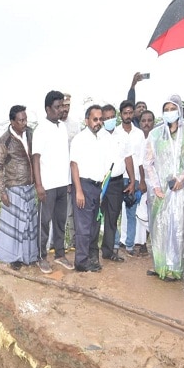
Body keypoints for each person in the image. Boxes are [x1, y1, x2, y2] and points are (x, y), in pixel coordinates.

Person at [143, 95, 184, 281]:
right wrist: (156, 187)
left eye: (172, 108)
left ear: (180, 110)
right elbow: (148, 162)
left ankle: (175, 269)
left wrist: (182, 178)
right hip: (160, 191)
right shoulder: (155, 134)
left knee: (178, 227)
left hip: (181, 190)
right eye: (165, 109)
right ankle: (159, 266)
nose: (169, 113)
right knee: (159, 227)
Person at [70, 105, 117, 272]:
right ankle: (81, 263)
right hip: (84, 186)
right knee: (83, 227)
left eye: (101, 119)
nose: (98, 122)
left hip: (98, 188)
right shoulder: (80, 139)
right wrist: (79, 191)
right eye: (95, 119)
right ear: (87, 120)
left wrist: (102, 190)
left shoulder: (101, 139)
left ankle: (92, 259)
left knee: (95, 226)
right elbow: (74, 165)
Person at [32, 90, 75, 274]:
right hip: (47, 185)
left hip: (61, 184)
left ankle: (59, 254)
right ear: (48, 108)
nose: (60, 111)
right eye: (57, 107)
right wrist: (39, 185)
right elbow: (35, 158)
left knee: (60, 221)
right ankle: (41, 257)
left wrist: (67, 182)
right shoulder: (41, 129)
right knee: (44, 222)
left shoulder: (62, 127)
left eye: (62, 107)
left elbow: (64, 155)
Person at [0, 105, 39, 270]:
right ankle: (14, 258)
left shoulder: (30, 134)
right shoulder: (4, 141)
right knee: (14, 227)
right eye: (21, 120)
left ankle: (30, 256)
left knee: (29, 224)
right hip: (14, 187)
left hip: (30, 187)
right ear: (12, 121)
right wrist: (2, 192)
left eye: (25, 119)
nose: (24, 123)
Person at [100, 104, 135, 262]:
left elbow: (128, 158)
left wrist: (133, 180)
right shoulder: (98, 135)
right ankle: (91, 251)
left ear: (116, 117)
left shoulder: (123, 136)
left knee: (113, 217)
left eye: (111, 117)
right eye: (105, 118)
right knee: (96, 216)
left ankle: (108, 251)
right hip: (99, 183)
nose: (109, 120)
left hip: (117, 183)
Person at [115, 100, 146, 257]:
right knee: (114, 212)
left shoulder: (139, 134)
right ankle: (114, 243)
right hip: (118, 178)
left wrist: (141, 181)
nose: (127, 116)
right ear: (121, 114)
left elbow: (140, 160)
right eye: (124, 113)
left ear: (133, 113)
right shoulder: (115, 132)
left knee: (131, 212)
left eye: (130, 113)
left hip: (133, 178)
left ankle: (129, 245)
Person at [131, 109, 156, 256]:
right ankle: (141, 243)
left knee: (152, 214)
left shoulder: (157, 137)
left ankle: (148, 243)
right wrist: (142, 182)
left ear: (153, 122)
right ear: (140, 123)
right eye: (144, 121)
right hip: (143, 181)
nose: (146, 123)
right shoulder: (140, 139)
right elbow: (141, 163)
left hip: (156, 183)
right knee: (141, 213)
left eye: (149, 120)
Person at [60, 93, 79, 251]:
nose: (65, 109)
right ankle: (57, 243)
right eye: (63, 105)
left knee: (73, 211)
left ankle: (74, 242)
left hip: (73, 174)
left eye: (68, 106)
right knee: (60, 212)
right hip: (58, 175)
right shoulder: (54, 125)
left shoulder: (75, 125)